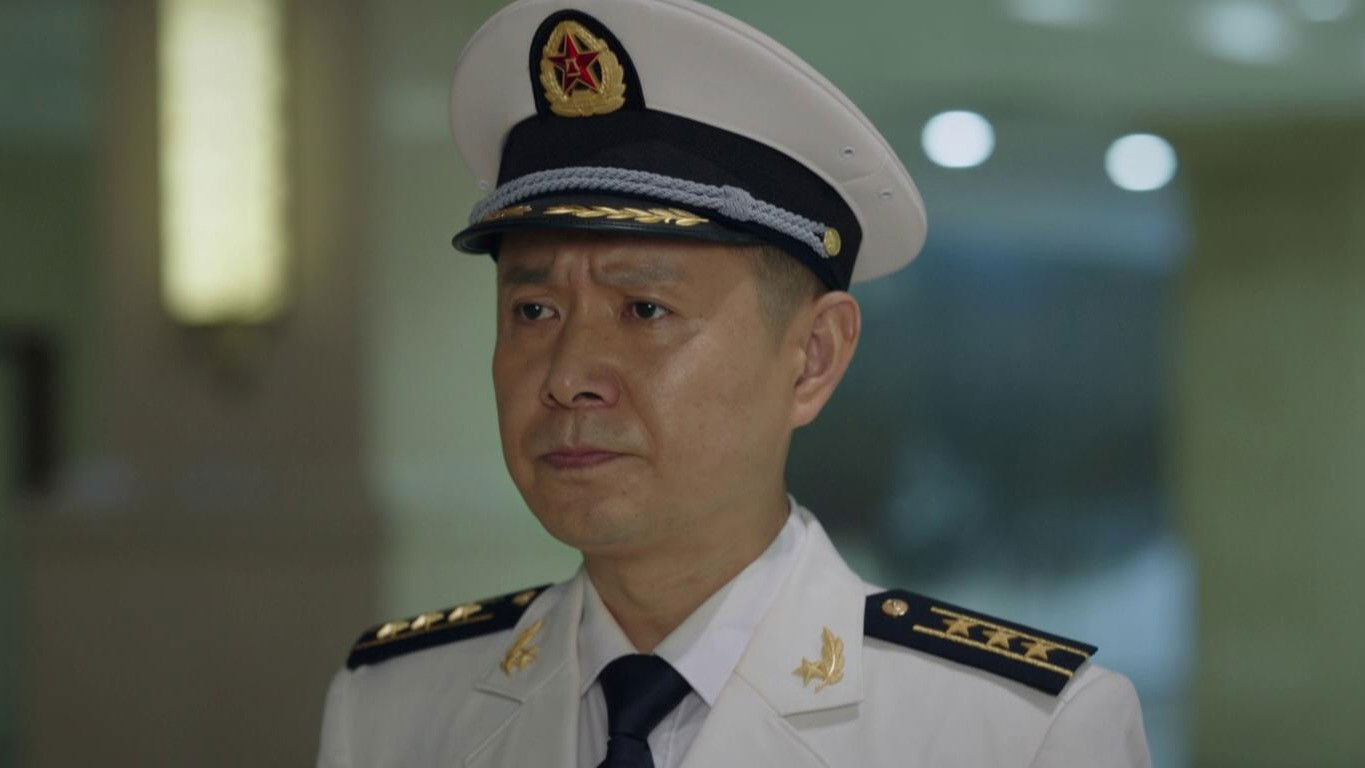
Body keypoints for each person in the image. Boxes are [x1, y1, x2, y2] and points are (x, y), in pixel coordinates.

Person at [316, 0, 1152, 766]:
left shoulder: (1015, 734)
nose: (568, 377)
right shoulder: (395, 706)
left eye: (644, 310)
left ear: (813, 357)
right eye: (533, 310)